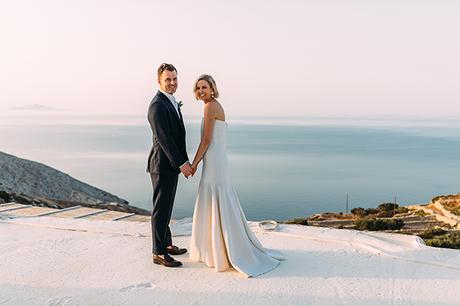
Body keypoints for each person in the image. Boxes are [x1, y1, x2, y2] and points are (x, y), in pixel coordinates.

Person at [189, 74, 284, 277]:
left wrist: (194, 164)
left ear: (212, 88)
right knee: (218, 200)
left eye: (204, 87)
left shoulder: (210, 107)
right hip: (218, 160)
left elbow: (206, 140)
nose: (201, 91)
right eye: (198, 88)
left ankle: (222, 252)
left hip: (213, 161)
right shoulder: (215, 105)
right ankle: (221, 249)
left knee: (215, 199)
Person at [147, 63, 193, 268]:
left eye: (174, 79)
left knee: (167, 207)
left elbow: (177, 137)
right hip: (161, 165)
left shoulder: (171, 102)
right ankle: (158, 252)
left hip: (169, 166)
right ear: (159, 81)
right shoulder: (157, 105)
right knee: (160, 209)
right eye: (168, 79)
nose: (172, 83)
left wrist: (182, 160)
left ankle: (166, 244)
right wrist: (182, 163)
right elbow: (164, 139)